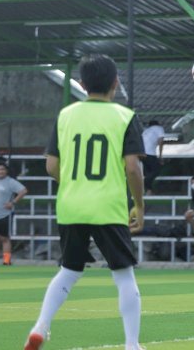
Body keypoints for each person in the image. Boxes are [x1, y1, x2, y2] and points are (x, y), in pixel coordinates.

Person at [24, 54, 145, 350]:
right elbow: (133, 167)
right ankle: (131, 344)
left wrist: (76, 187)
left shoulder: (66, 115)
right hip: (108, 207)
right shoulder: (124, 116)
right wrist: (139, 206)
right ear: (115, 83)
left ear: (81, 83)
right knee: (123, 274)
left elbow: (51, 166)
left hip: (71, 206)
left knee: (68, 270)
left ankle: (41, 325)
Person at [0, 162, 27, 266]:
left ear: (6, 171)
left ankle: (6, 261)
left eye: (2, 169)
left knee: (5, 238)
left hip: (5, 214)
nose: (0, 171)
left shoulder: (10, 182)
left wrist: (12, 202)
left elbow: (23, 191)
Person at [141, 120, 164, 195]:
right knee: (157, 170)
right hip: (150, 153)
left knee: (148, 172)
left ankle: (149, 190)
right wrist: (160, 156)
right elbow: (161, 142)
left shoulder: (146, 131)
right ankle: (144, 182)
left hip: (141, 153)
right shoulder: (159, 128)